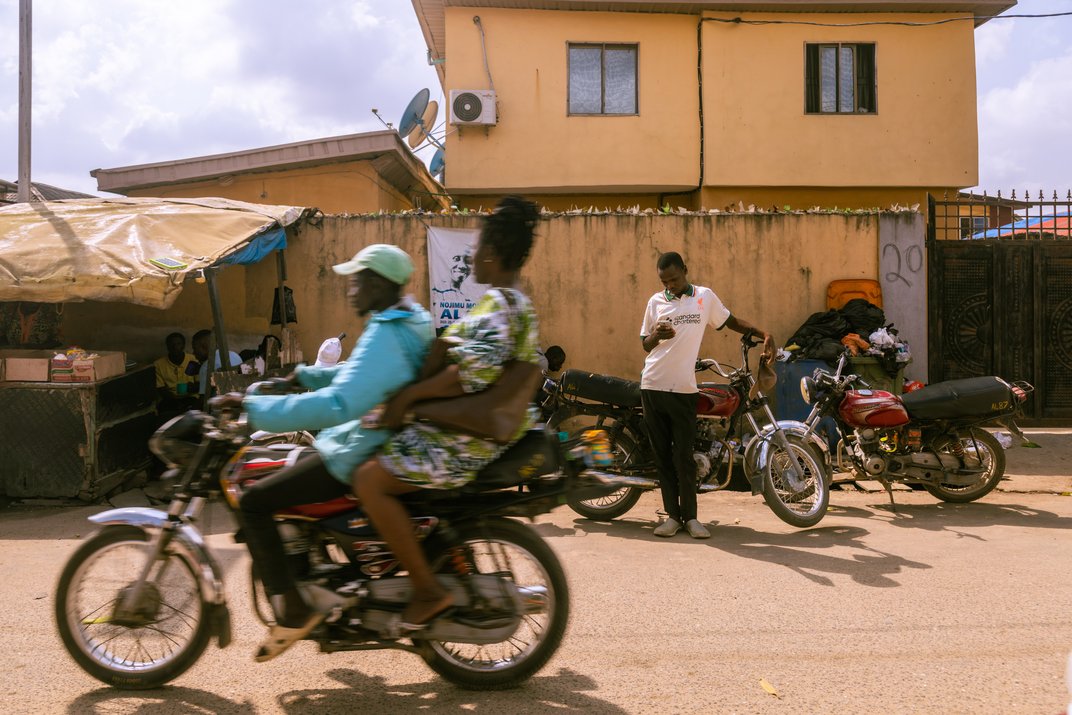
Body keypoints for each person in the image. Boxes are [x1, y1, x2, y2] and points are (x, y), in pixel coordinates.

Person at [217, 244, 434, 662]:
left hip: (355, 450)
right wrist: (302, 375)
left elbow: (341, 404)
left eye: (358, 280)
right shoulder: (407, 319)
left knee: (256, 501)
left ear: (380, 284)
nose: (351, 289)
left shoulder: (389, 332)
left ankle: (294, 609)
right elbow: (359, 375)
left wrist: (253, 411)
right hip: (363, 440)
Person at [351, 196, 541, 632]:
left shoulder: (500, 304)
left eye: (475, 248)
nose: (471, 256)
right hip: (467, 432)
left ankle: (428, 589)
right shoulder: (514, 302)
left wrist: (409, 398)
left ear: (491, 253)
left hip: (461, 439)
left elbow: (469, 374)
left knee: (368, 480)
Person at [639, 251, 774, 539]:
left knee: (684, 457)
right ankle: (672, 518)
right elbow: (645, 344)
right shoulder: (655, 302)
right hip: (652, 386)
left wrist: (764, 334)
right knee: (662, 457)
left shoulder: (704, 297)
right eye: (665, 281)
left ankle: (691, 518)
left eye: (674, 279)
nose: (670, 286)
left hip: (684, 390)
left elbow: (732, 322)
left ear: (685, 271)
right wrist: (656, 336)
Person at [153, 332, 198, 413]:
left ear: (183, 346)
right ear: (167, 346)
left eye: (178, 344)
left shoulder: (193, 360)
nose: (175, 347)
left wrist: (191, 388)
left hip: (191, 397)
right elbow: (160, 388)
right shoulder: (158, 364)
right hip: (170, 398)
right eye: (171, 344)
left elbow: (199, 383)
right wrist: (175, 401)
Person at [191, 328, 243, 396]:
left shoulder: (206, 366)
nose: (193, 353)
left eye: (195, 349)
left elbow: (204, 399)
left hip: (220, 405)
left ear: (204, 347)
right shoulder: (235, 355)